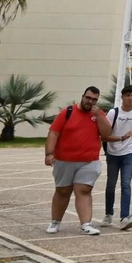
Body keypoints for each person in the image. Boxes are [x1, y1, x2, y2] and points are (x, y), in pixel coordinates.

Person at [46, 85, 116, 235]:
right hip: (65, 160)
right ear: (83, 96)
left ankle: (86, 224)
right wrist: (49, 153)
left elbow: (106, 134)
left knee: (84, 190)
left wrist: (98, 116)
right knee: (63, 191)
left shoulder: (98, 114)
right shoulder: (68, 112)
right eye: (88, 98)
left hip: (89, 161)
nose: (90, 102)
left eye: (94, 100)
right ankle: (55, 222)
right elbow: (53, 133)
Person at [101, 85, 132, 230]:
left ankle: (125, 217)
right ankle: (108, 214)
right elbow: (105, 135)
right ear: (122, 97)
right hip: (113, 153)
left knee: (126, 184)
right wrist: (122, 138)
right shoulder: (113, 113)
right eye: (127, 95)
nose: (130, 98)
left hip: (129, 154)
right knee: (111, 185)